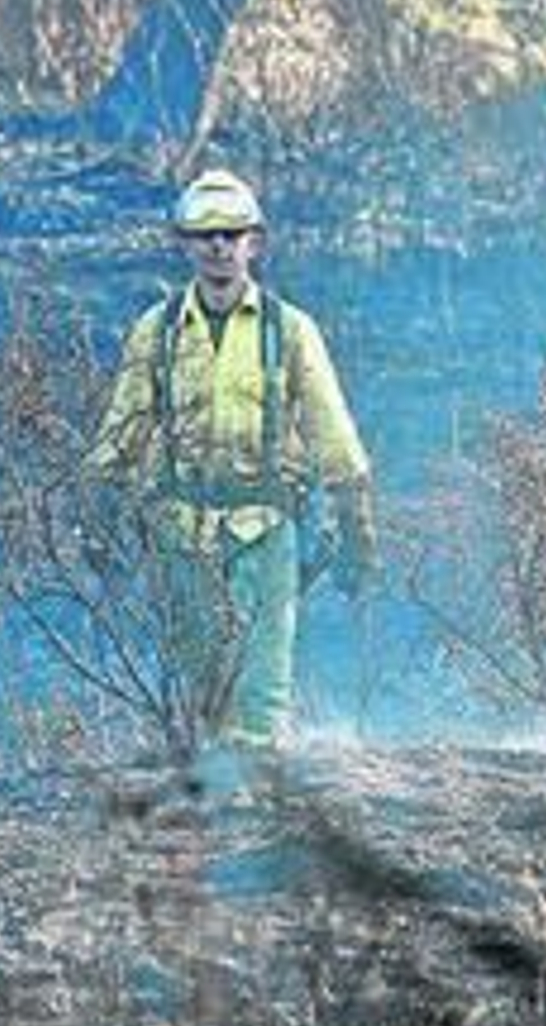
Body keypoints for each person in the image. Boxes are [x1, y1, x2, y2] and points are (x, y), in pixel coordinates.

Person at [92, 167, 377, 761]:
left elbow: (332, 433)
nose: (219, 247)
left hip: (267, 529)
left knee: (262, 691)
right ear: (185, 244)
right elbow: (122, 428)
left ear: (255, 241)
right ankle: (209, 815)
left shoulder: (291, 330)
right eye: (205, 235)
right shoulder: (158, 331)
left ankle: (259, 821)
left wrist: (357, 527)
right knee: (199, 693)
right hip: (179, 529)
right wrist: (97, 510)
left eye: (232, 233)